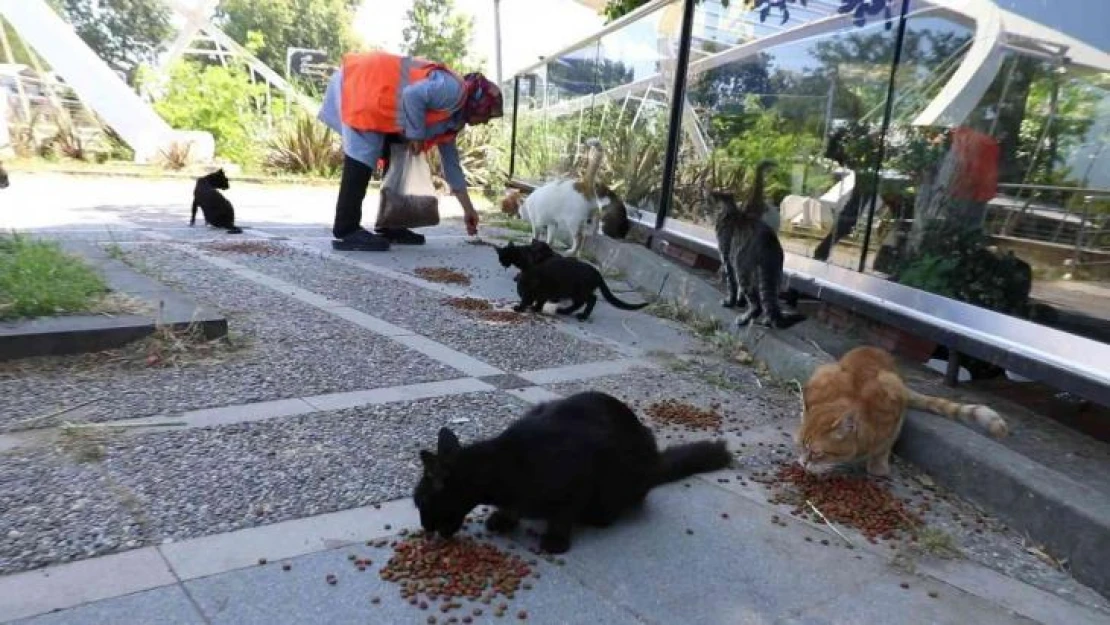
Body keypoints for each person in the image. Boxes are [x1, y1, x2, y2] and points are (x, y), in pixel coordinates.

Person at [318, 51, 503, 251]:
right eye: (487, 114)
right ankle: (347, 230)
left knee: (400, 156)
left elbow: (452, 166)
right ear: (478, 103)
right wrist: (416, 135)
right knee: (363, 155)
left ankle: (392, 224)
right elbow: (412, 95)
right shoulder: (453, 91)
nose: (484, 121)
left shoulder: (453, 119)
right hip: (363, 86)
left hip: (375, 96)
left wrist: (468, 210)